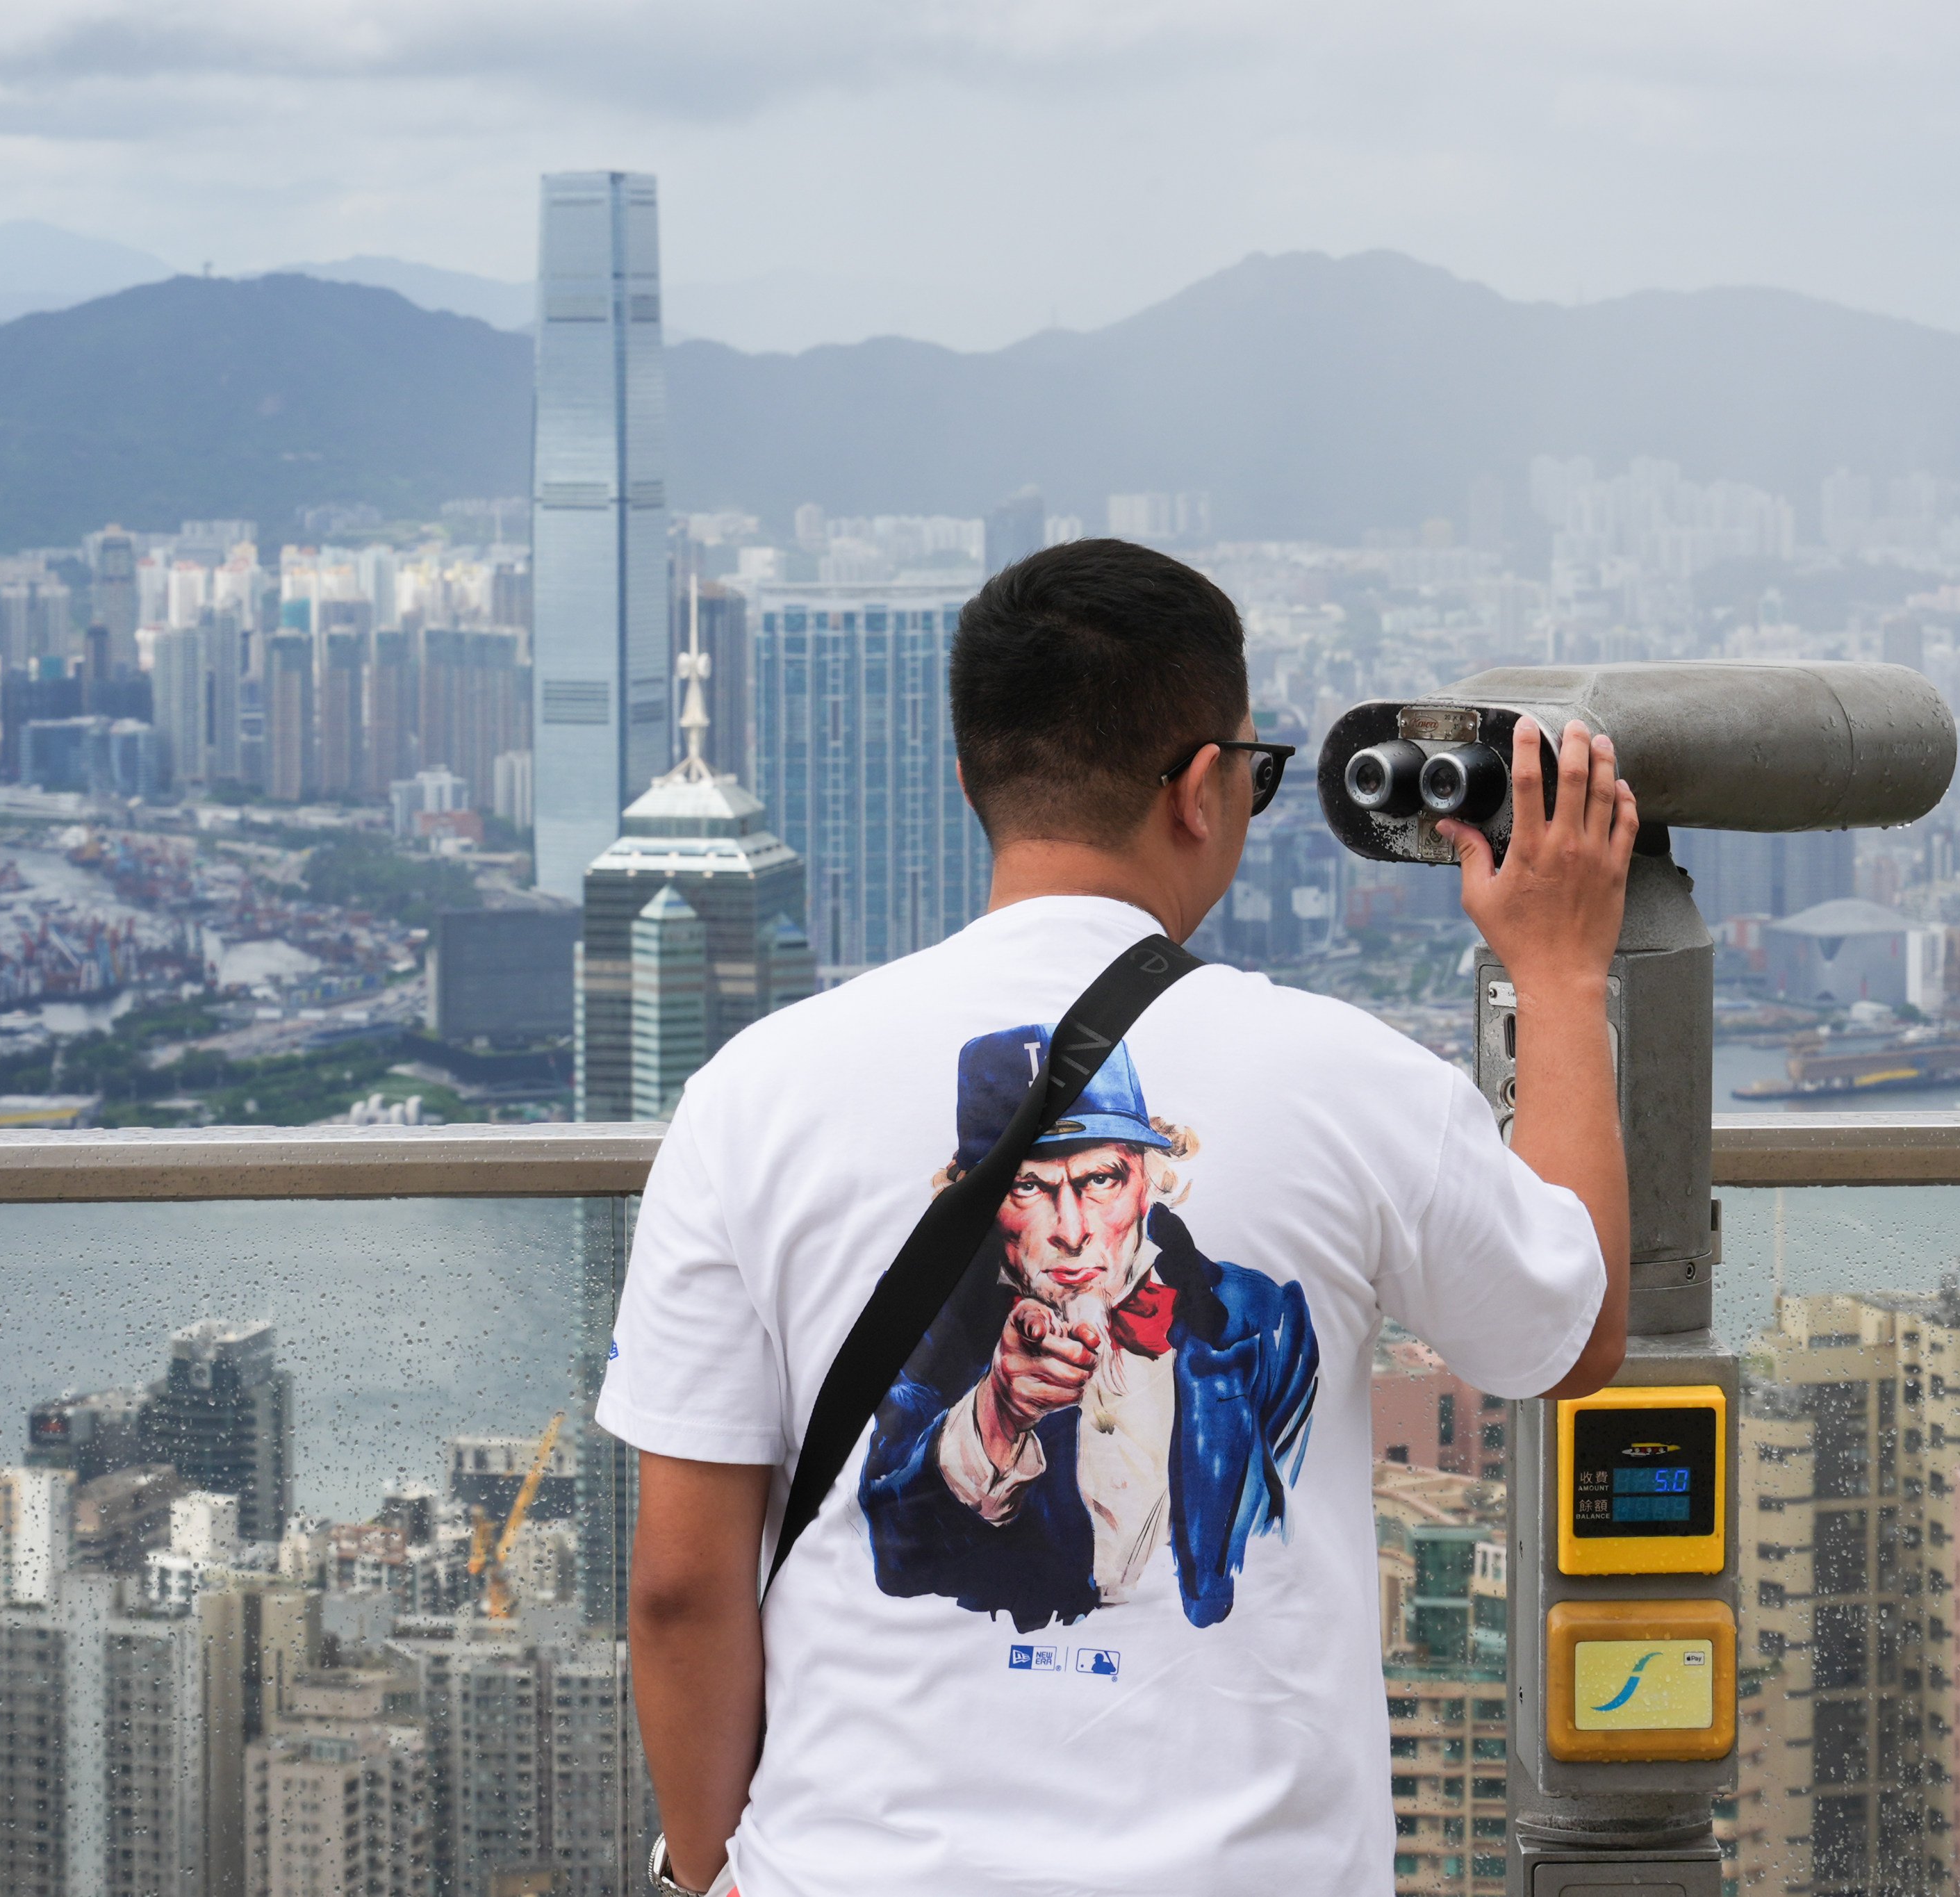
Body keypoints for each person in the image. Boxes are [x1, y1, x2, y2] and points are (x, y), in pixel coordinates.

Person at [602, 536, 1638, 1896]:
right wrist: (1558, 975)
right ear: (1203, 789)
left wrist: (705, 1869)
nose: (1080, 1226)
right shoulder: (1345, 1078)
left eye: (1106, 1182)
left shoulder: (754, 1095)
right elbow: (1565, 1338)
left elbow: (681, 1584)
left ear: (970, 778)